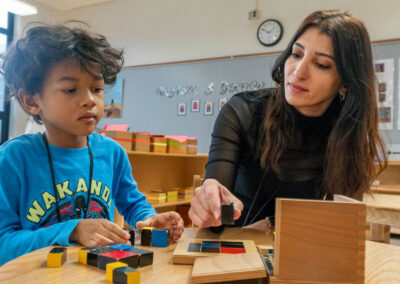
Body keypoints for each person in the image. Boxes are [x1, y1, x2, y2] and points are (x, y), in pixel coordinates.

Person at [0, 24, 183, 265]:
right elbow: (4, 244)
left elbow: (133, 203)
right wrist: (73, 230)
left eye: (97, 88)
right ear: (32, 100)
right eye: (70, 89)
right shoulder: (14, 159)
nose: (89, 100)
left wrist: (149, 219)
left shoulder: (112, 153)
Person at [189, 10, 387, 230]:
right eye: (296, 54)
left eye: (321, 64)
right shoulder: (242, 111)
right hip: (232, 248)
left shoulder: (347, 132)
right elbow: (216, 195)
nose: (298, 72)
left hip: (300, 250)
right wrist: (210, 203)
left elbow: (342, 226)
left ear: (345, 82)